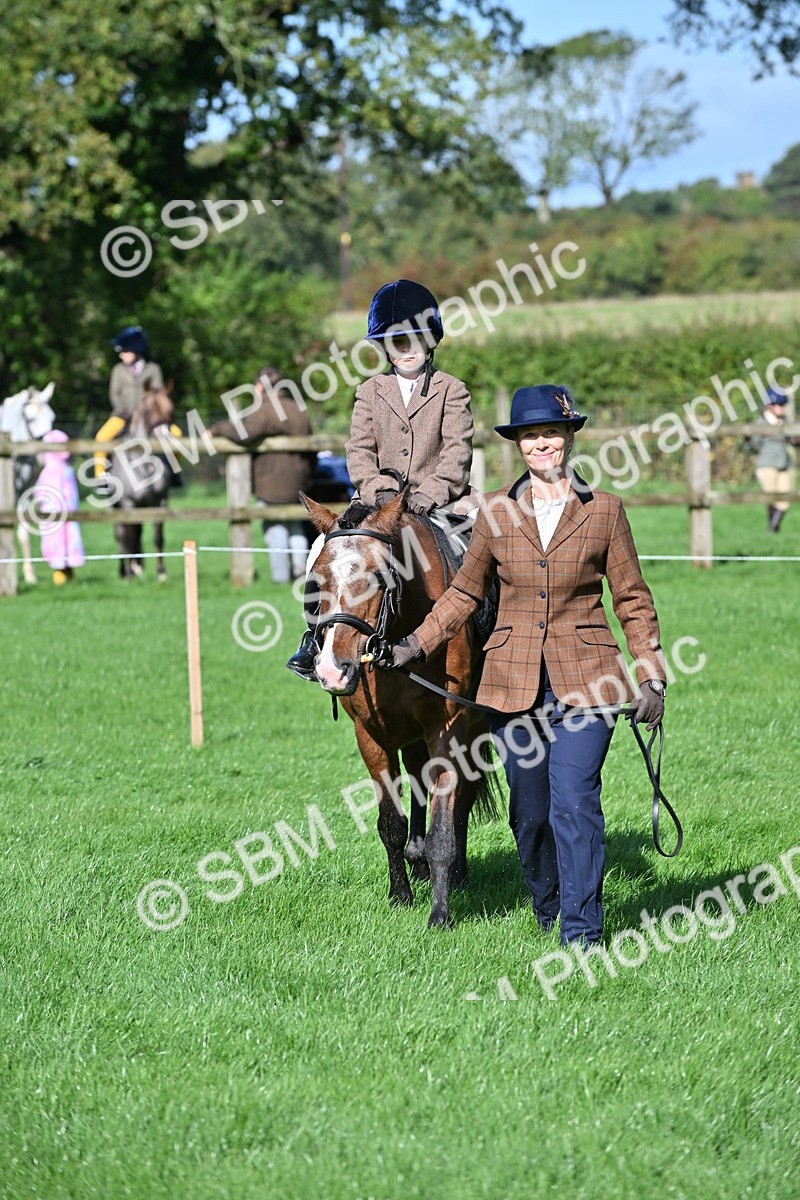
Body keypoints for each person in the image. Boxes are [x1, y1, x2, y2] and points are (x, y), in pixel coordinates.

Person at [381, 384, 667, 947]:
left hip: (588, 680)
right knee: (530, 817)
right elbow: (463, 596)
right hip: (511, 685)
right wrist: (413, 646)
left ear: (569, 438)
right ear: (519, 444)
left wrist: (650, 671)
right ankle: (549, 906)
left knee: (576, 803)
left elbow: (631, 596)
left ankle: (581, 931)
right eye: (531, 435)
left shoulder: (604, 510)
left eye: (552, 433)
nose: (543, 444)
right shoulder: (496, 512)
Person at [286, 277, 475, 678]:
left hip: (441, 501)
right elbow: (358, 451)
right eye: (396, 342)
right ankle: (314, 639)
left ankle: (492, 633)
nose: (406, 350)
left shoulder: (451, 390)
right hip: (375, 504)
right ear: (384, 347)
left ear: (431, 340)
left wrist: (429, 493)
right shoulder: (369, 392)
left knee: (484, 548)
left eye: (414, 340)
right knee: (320, 548)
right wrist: (380, 492)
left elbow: (457, 453)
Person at [208, 366, 315, 582]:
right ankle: (301, 573)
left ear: (259, 387)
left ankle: (281, 578)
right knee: (296, 527)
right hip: (301, 482)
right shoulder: (298, 409)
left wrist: (216, 429)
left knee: (274, 528)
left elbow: (244, 433)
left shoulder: (266, 409)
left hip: (273, 484)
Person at [95, 325, 165, 486]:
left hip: (148, 417)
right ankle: (101, 478)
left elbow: (157, 394)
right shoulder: (118, 370)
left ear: (137, 350)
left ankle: (175, 475)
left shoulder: (153, 369)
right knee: (101, 438)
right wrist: (124, 411)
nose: (121, 355)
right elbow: (114, 393)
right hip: (122, 415)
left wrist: (146, 412)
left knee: (176, 433)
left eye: (125, 351)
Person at [35, 430, 85, 585]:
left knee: (61, 537)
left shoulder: (50, 472)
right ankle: (63, 571)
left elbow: (39, 494)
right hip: (64, 517)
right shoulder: (66, 471)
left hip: (58, 518)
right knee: (65, 537)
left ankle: (64, 572)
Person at [745, 388, 796, 533]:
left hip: (784, 464)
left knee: (784, 501)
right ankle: (772, 531)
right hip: (767, 464)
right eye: (779, 405)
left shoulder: (785, 421)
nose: (782, 408)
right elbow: (754, 445)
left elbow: (791, 440)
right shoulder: (761, 422)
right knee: (772, 498)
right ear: (770, 406)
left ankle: (772, 529)